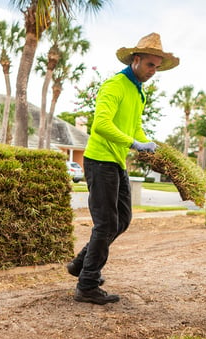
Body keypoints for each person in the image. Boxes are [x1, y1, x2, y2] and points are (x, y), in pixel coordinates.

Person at [67, 32, 179, 305]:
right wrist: (133, 143)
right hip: (99, 160)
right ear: (136, 60)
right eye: (151, 65)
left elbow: (134, 126)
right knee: (105, 223)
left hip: (117, 162)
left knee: (122, 221)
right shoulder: (115, 85)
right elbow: (101, 125)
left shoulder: (138, 92)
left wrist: (145, 142)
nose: (154, 71)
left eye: (157, 67)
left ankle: (80, 265)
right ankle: (87, 285)